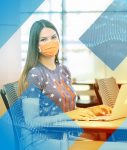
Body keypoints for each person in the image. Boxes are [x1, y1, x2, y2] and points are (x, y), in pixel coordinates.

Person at [17, 19, 112, 149]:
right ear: (36, 46)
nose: (50, 42)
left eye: (53, 37)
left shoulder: (63, 70)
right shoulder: (35, 74)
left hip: (64, 136)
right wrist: (70, 115)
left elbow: (68, 111)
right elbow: (32, 122)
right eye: (43, 39)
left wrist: (91, 110)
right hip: (39, 140)